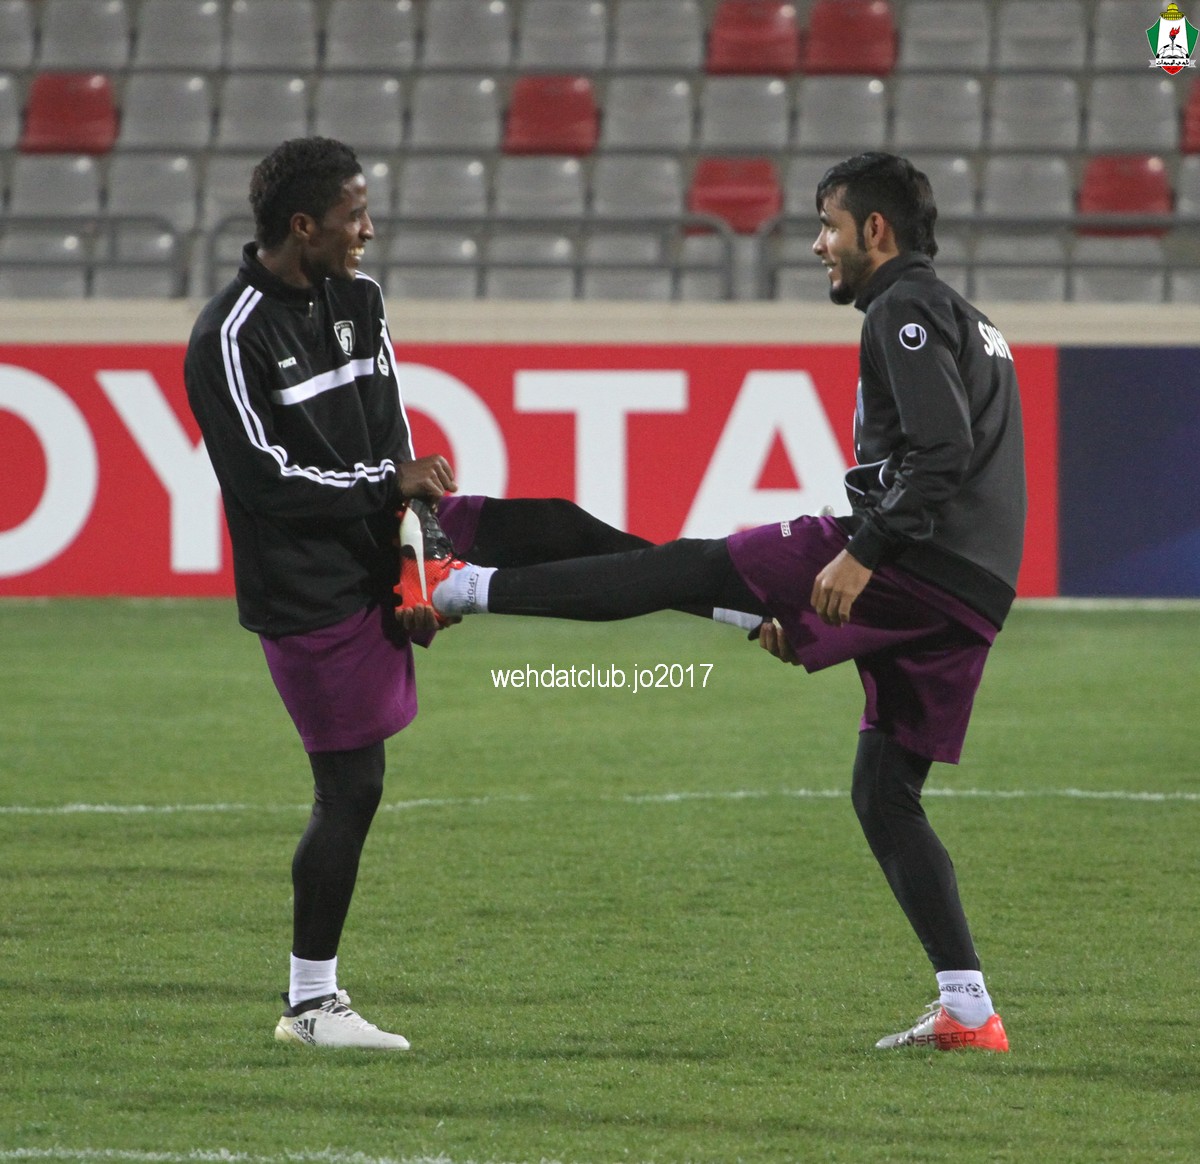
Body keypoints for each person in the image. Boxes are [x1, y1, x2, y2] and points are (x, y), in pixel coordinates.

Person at [411, 152, 1026, 1053]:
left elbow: (942, 453)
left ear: (876, 231)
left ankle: (457, 578)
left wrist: (860, 556)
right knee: (883, 792)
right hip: (969, 593)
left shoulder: (904, 308)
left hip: (916, 563)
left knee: (685, 568)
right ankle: (968, 1010)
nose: (818, 245)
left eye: (829, 226)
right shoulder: (969, 318)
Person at [184, 137, 713, 1049]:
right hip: (308, 587)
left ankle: (730, 596)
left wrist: (416, 539)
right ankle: (310, 1006)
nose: (368, 230)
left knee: (556, 524)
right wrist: (385, 492)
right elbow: (263, 483)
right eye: (354, 215)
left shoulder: (359, 298)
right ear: (304, 226)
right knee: (351, 789)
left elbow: (387, 426)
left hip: (386, 535)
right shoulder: (229, 335)